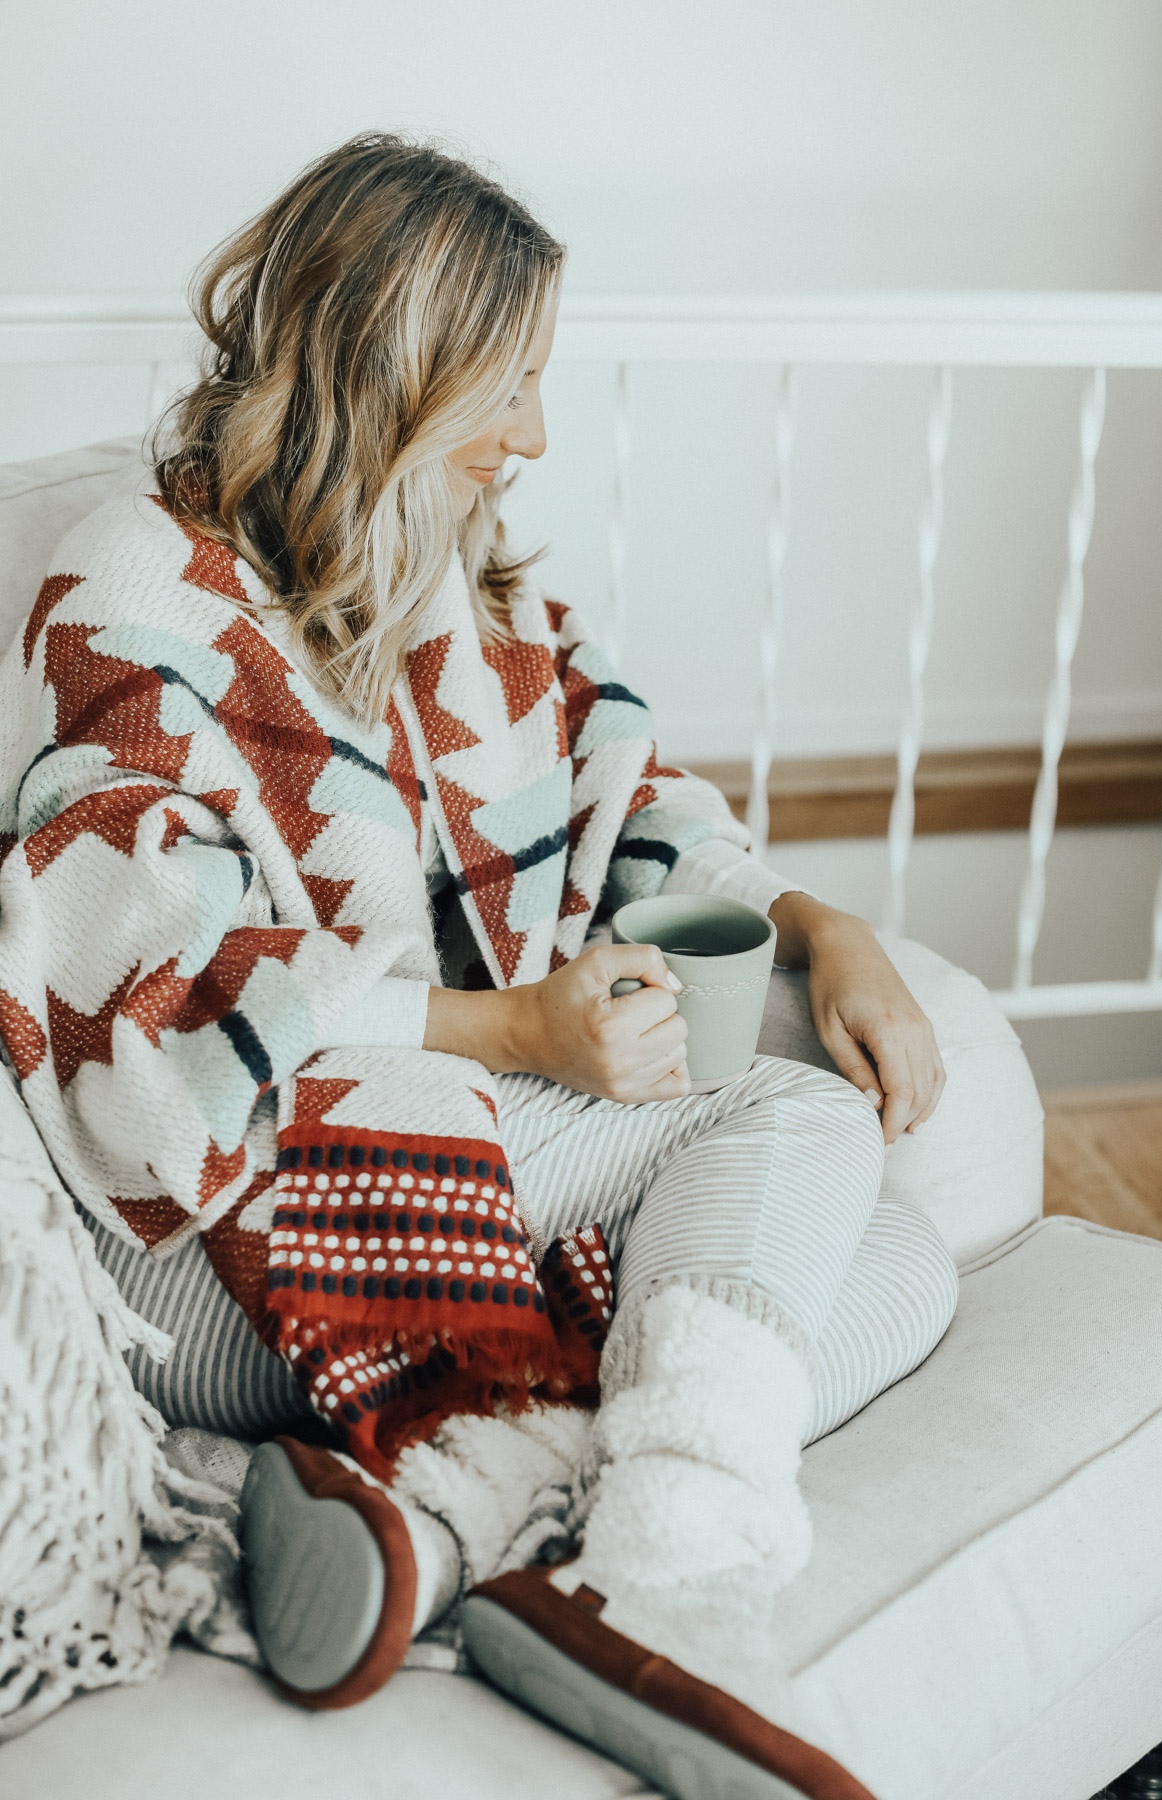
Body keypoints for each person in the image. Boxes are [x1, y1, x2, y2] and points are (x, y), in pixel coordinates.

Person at [0, 134, 957, 1795]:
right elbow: (150, 1017)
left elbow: (628, 783)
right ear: (390, 362)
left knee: (908, 1265)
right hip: (221, 1238)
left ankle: (455, 1516)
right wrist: (512, 1022)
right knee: (800, 1130)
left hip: (444, 1162)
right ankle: (670, 1577)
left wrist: (827, 929)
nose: (531, 433)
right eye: (506, 384)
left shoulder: (455, 577)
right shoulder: (136, 588)